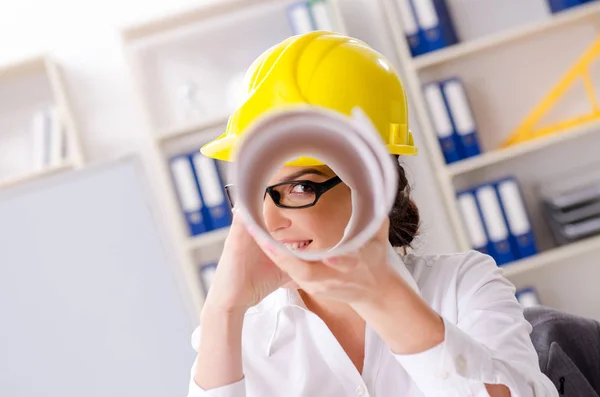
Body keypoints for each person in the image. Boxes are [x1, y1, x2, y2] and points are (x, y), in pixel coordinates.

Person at [186, 31, 558, 397]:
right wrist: (223, 310)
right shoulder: (239, 337)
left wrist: (383, 298)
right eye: (255, 193)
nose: (269, 221)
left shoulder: (462, 286)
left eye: (299, 187)